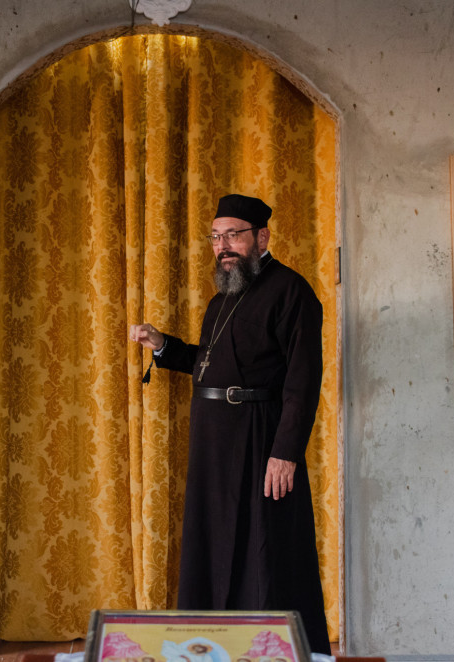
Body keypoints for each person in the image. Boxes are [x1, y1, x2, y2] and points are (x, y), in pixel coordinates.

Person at [129, 194, 330, 654]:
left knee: (263, 548)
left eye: (233, 235)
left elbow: (303, 381)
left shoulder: (292, 292)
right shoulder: (225, 297)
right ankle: (209, 646)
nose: (223, 246)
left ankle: (268, 650)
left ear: (261, 237)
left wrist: (286, 452)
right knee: (214, 544)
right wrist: (163, 346)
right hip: (214, 444)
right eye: (216, 237)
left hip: (260, 439)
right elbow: (211, 362)